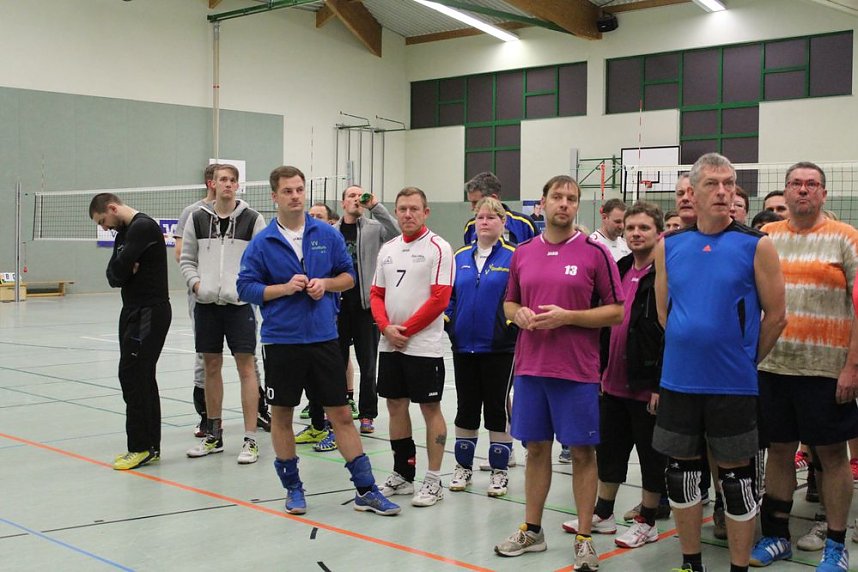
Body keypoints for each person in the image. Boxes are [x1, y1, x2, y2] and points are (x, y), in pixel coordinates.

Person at [237, 165, 399, 516]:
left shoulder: (326, 234)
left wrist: (325, 284)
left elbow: (349, 277)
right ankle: (293, 489)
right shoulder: (263, 242)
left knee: (341, 414)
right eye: (288, 191)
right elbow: (245, 287)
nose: (295, 196)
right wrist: (283, 289)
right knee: (282, 416)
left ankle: (366, 489)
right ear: (274, 196)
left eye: (299, 189)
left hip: (325, 338)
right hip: (282, 342)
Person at [653, 152, 786, 572]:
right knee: (682, 477)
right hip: (679, 382)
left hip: (732, 386)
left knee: (737, 483)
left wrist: (746, 359)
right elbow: (664, 313)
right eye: (713, 183)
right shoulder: (670, 245)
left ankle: (738, 567)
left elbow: (777, 316)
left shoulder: (755, 244)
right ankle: (691, 563)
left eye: (729, 183)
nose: (724, 191)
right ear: (692, 191)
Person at [493, 175, 624, 572]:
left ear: (577, 206)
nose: (564, 204)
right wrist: (521, 314)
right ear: (544, 203)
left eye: (571, 198)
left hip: (577, 372)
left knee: (583, 453)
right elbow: (509, 304)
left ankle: (584, 537)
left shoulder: (593, 252)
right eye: (557, 197)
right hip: (532, 368)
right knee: (535, 450)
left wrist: (571, 317)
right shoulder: (524, 252)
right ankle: (532, 529)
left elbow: (616, 311)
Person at [753, 161, 858, 572]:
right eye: (795, 184)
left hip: (825, 370)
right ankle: (777, 536)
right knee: (778, 451)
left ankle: (836, 543)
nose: (802, 191)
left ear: (824, 194)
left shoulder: (846, 239)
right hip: (772, 366)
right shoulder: (765, 237)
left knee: (830, 455)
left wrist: (852, 366)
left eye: (811, 184)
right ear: (785, 191)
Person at [562, 201, 667, 550]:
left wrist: (659, 384)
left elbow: (669, 330)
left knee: (652, 458)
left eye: (644, 228)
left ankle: (648, 521)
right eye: (632, 228)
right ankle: (603, 513)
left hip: (647, 384)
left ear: (659, 233)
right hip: (612, 381)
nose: (636, 233)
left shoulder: (665, 275)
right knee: (610, 451)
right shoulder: (620, 267)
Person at [371, 187, 454, 508]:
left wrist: (405, 330)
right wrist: (385, 328)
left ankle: (433, 480)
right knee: (394, 405)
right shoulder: (388, 249)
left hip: (423, 346)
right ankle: (403, 474)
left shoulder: (438, 248)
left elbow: (440, 298)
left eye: (414, 209)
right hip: (390, 342)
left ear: (426, 212)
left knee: (429, 408)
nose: (407, 214)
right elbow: (377, 293)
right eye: (402, 209)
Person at [175, 165, 270, 439]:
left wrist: (245, 290)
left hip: (239, 307)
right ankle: (213, 432)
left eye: (232, 180)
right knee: (210, 365)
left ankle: (250, 436)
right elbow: (186, 258)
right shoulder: (196, 218)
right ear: (212, 184)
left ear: (237, 186)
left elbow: (261, 260)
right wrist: (196, 285)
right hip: (206, 305)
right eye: (222, 180)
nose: (227, 184)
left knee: (247, 367)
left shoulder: (253, 219)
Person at [89, 193, 172, 470]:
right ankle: (150, 445)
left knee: (134, 374)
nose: (104, 227)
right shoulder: (123, 233)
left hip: (149, 311)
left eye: (103, 220)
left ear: (112, 208)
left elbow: (120, 268)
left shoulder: (142, 227)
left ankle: (140, 447)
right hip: (132, 310)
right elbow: (114, 276)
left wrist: (125, 268)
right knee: (139, 375)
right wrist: (124, 269)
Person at [445, 197, 517, 498]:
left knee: (497, 410)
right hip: (463, 346)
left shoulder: (515, 257)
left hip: (499, 348)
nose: (484, 222)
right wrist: (450, 322)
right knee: (466, 408)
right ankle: (463, 468)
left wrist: (508, 327)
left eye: (491, 217)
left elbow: (521, 297)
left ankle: (500, 472)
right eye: (480, 217)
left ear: (502, 223)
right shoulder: (459, 257)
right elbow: (449, 297)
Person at [335, 186, 400, 436]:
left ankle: (367, 415)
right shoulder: (332, 232)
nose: (355, 199)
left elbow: (396, 232)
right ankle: (339, 411)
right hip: (338, 307)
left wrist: (376, 206)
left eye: (359, 196)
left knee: (369, 364)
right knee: (336, 363)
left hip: (365, 308)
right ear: (343, 203)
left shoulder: (374, 228)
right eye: (350, 195)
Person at [463, 172, 536, 245]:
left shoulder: (524, 224)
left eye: (476, 202)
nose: (472, 208)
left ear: (494, 198)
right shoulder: (470, 227)